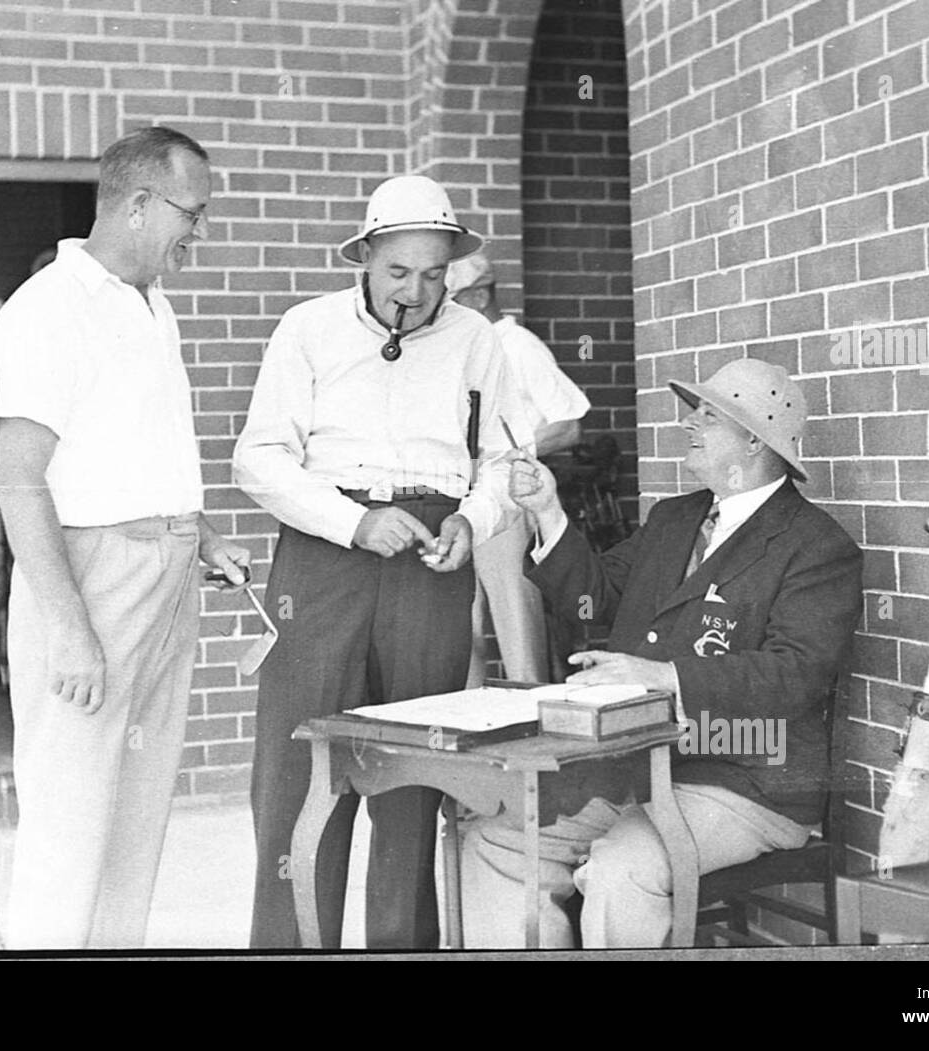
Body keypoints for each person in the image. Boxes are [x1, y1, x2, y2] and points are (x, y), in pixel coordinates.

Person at [460, 358, 864, 948]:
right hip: (638, 772)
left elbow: (797, 674)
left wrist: (663, 675)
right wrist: (547, 511)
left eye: (706, 415)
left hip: (747, 782)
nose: (688, 425)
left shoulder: (817, 546)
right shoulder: (674, 518)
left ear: (753, 438)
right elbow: (594, 599)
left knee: (623, 864)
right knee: (495, 842)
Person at [234, 175, 524, 950]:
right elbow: (257, 461)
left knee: (412, 784)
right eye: (400, 271)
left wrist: (473, 518)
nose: (418, 291)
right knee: (299, 779)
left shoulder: (477, 340)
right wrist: (352, 522)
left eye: (435, 273)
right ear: (364, 257)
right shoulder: (308, 329)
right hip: (325, 560)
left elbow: (506, 461)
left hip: (431, 564)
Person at [0, 126, 250, 950]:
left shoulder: (150, 306)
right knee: (68, 827)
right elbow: (17, 480)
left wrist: (201, 535)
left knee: (133, 825)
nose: (196, 235)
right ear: (138, 204)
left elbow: (133, 453)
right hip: (92, 583)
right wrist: (70, 630)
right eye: (191, 215)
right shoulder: (50, 309)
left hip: (165, 579)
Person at [444, 252, 590, 686]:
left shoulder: (518, 345)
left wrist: (507, 458)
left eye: (452, 299)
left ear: (476, 295)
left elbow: (568, 425)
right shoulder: (465, 349)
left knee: (516, 631)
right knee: (460, 631)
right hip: (464, 506)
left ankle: (532, 727)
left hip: (508, 502)